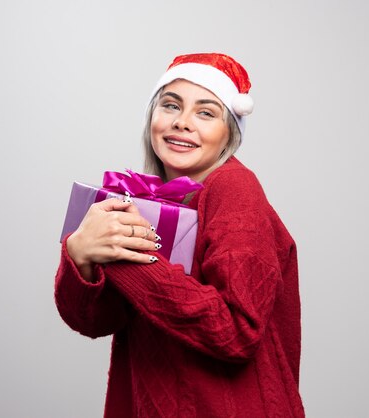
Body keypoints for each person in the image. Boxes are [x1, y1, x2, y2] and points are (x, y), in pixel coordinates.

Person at [55, 53, 305, 417]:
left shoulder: (233, 187)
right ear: (152, 118)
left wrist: (123, 253)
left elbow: (237, 332)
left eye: (205, 112)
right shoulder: (150, 201)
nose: (182, 123)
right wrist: (80, 255)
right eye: (170, 105)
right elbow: (93, 322)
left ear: (229, 132)